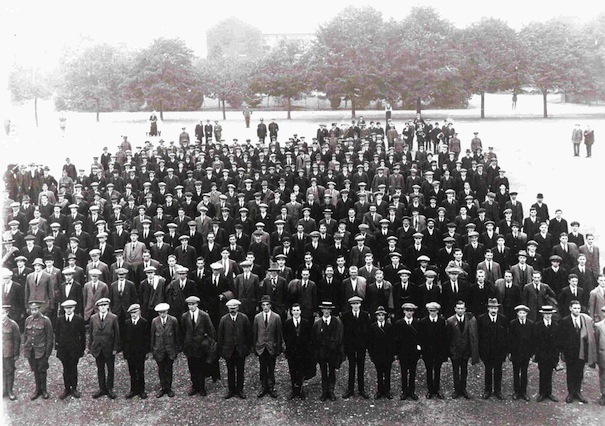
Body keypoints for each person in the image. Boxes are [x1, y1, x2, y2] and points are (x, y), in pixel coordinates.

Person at [558, 299, 597, 403]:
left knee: (580, 372)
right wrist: (562, 352)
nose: (577, 310)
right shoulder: (565, 321)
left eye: (578, 308)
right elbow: (561, 337)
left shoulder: (584, 320)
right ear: (570, 309)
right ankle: (571, 393)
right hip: (570, 351)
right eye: (575, 308)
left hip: (581, 350)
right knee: (570, 372)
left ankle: (578, 392)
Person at [181, 296, 215, 397]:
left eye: (193, 304)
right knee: (192, 367)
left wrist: (207, 342)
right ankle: (194, 386)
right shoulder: (184, 316)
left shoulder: (204, 315)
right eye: (189, 305)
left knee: (201, 367)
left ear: (197, 304)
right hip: (189, 346)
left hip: (201, 346)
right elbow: (183, 330)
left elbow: (211, 330)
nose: (191, 307)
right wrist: (185, 343)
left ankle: (202, 387)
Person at [218, 298, 252, 399]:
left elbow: (248, 334)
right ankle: (231, 390)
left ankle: (240, 390)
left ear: (238, 308)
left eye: (234, 307)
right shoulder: (223, 320)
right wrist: (221, 350)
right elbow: (220, 336)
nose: (232, 309)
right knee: (230, 370)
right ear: (228, 308)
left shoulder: (244, 318)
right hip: (229, 350)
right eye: (230, 308)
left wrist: (247, 348)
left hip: (240, 350)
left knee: (240, 370)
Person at [446, 300, 479, 399]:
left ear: (465, 309)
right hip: (455, 351)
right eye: (458, 308)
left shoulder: (470, 320)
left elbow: (473, 336)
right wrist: (450, 351)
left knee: (464, 370)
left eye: (462, 308)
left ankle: (463, 389)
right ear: (455, 309)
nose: (460, 310)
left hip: (465, 350)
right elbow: (448, 337)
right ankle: (457, 390)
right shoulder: (450, 321)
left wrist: (470, 350)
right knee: (455, 371)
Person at [477, 298, 509, 400]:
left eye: (495, 308)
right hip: (487, 351)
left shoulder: (503, 319)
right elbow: (479, 337)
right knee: (488, 371)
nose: (493, 310)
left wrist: (505, 352)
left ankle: (498, 390)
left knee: (498, 371)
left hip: (499, 351)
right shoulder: (481, 319)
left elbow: (505, 336)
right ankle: (487, 390)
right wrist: (481, 352)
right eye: (491, 308)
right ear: (488, 309)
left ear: (498, 309)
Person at [252, 295, 283, 398]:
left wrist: (278, 347)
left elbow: (279, 334)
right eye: (263, 305)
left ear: (270, 306)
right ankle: (263, 386)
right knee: (262, 367)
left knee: (271, 367)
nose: (265, 307)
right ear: (261, 306)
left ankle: (271, 387)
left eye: (267, 305)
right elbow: (255, 333)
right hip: (261, 346)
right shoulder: (257, 317)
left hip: (271, 346)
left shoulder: (276, 317)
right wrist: (255, 346)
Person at [313, 301, 344, 401]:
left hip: (332, 352)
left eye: (328, 309)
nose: (326, 311)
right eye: (324, 309)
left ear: (331, 310)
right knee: (323, 371)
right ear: (322, 310)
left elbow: (340, 337)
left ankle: (331, 391)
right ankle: (324, 391)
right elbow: (315, 339)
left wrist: (337, 350)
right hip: (322, 352)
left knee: (332, 371)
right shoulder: (317, 324)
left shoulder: (336, 322)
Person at [22, 300, 53, 400]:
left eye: (35, 309)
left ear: (39, 309)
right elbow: (25, 335)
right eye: (31, 309)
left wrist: (47, 354)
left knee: (42, 370)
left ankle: (44, 390)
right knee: (35, 370)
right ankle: (37, 390)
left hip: (41, 350)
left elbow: (50, 338)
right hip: (31, 350)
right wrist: (25, 347)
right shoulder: (28, 320)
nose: (33, 311)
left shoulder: (45, 320)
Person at [55, 299, 86, 399]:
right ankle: (67, 388)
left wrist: (82, 349)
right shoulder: (60, 319)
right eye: (66, 308)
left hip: (74, 349)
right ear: (64, 309)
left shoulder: (79, 319)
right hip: (63, 350)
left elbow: (83, 335)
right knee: (65, 369)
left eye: (70, 308)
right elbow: (57, 334)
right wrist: (58, 347)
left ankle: (74, 388)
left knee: (73, 368)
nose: (68, 310)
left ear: (74, 308)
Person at [341, 295, 371, 399]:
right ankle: (350, 389)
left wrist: (366, 345)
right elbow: (344, 333)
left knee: (361, 367)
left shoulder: (365, 315)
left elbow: (367, 332)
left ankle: (361, 389)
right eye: (353, 304)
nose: (355, 306)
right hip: (351, 346)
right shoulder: (346, 316)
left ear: (360, 304)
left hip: (361, 346)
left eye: (357, 303)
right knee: (352, 367)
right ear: (350, 305)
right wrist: (345, 346)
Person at [89, 297, 120, 399]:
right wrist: (90, 347)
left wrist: (115, 348)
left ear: (108, 306)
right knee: (100, 369)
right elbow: (91, 334)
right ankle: (102, 388)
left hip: (109, 348)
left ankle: (109, 388)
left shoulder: (113, 318)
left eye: (104, 305)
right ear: (98, 307)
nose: (102, 307)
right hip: (98, 348)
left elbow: (117, 334)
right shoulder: (93, 318)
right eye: (100, 306)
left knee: (110, 369)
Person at [283, 303, 313, 399]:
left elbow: (309, 338)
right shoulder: (287, 323)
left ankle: (300, 389)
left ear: (300, 311)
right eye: (294, 310)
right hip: (292, 352)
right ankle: (293, 390)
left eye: (297, 310)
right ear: (291, 312)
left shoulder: (306, 323)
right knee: (292, 370)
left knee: (301, 370)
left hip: (302, 352)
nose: (296, 312)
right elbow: (286, 337)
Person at [418, 301, 448, 399]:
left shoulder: (442, 321)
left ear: (437, 311)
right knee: (429, 370)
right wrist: (422, 351)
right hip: (428, 351)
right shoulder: (423, 321)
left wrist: (444, 352)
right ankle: (430, 390)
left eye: (434, 311)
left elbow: (444, 337)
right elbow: (421, 337)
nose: (432, 313)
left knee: (438, 370)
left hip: (438, 351)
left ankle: (437, 389)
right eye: (430, 311)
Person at [150, 302, 180, 398]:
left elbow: (177, 336)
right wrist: (153, 350)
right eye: (160, 313)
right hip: (159, 350)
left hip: (170, 350)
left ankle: (169, 388)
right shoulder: (154, 322)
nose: (162, 314)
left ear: (167, 311)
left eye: (164, 312)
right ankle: (163, 388)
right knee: (161, 370)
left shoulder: (173, 320)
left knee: (169, 369)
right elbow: (152, 337)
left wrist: (176, 350)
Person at [394, 302, 421, 400]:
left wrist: (419, 350)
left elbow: (420, 338)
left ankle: (412, 391)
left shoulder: (417, 323)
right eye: (407, 311)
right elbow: (396, 339)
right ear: (404, 311)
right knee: (404, 372)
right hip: (403, 352)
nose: (409, 313)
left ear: (413, 312)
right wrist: (396, 353)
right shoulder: (399, 323)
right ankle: (404, 392)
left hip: (413, 352)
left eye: (411, 311)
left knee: (413, 372)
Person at [508, 305, 535, 401]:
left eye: (524, 313)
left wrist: (532, 354)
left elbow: (532, 340)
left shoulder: (531, 324)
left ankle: (523, 392)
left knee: (524, 372)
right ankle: (516, 391)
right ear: (517, 314)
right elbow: (510, 339)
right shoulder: (513, 324)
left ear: (527, 314)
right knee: (516, 372)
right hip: (516, 353)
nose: (522, 315)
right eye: (520, 313)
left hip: (526, 353)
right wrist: (510, 352)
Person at [123, 303, 150, 399]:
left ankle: (141, 390)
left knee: (140, 371)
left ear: (139, 312)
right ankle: (133, 390)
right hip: (130, 352)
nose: (133, 315)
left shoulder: (144, 322)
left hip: (140, 352)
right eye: (131, 313)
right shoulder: (127, 323)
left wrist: (146, 352)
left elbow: (147, 339)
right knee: (132, 371)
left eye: (135, 312)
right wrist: (125, 352)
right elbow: (124, 338)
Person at [368, 306, 395, 399]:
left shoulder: (390, 327)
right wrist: (371, 355)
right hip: (377, 354)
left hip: (387, 354)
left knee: (387, 373)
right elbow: (370, 342)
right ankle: (379, 391)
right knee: (379, 373)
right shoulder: (373, 327)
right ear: (376, 316)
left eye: (382, 315)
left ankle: (387, 391)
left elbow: (392, 342)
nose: (381, 317)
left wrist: (392, 355)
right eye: (379, 315)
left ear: (385, 316)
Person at [535, 305, 560, 402]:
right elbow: (535, 341)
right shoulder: (538, 325)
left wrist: (556, 356)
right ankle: (542, 393)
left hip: (552, 354)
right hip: (541, 354)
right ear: (542, 315)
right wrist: (536, 354)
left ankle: (549, 393)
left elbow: (557, 342)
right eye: (546, 314)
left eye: (549, 314)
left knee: (550, 373)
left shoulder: (556, 326)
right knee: (542, 372)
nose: (548, 316)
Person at [2, 304, 20, 401]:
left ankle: (10, 391)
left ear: (7, 313)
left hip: (9, 352)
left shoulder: (12, 324)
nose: (1, 315)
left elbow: (17, 340)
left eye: (3, 313)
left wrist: (16, 353)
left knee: (9, 371)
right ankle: (3, 390)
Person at [595, 306, 605, 405]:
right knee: (603, 375)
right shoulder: (598, 326)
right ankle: (603, 394)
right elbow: (596, 341)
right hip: (603, 354)